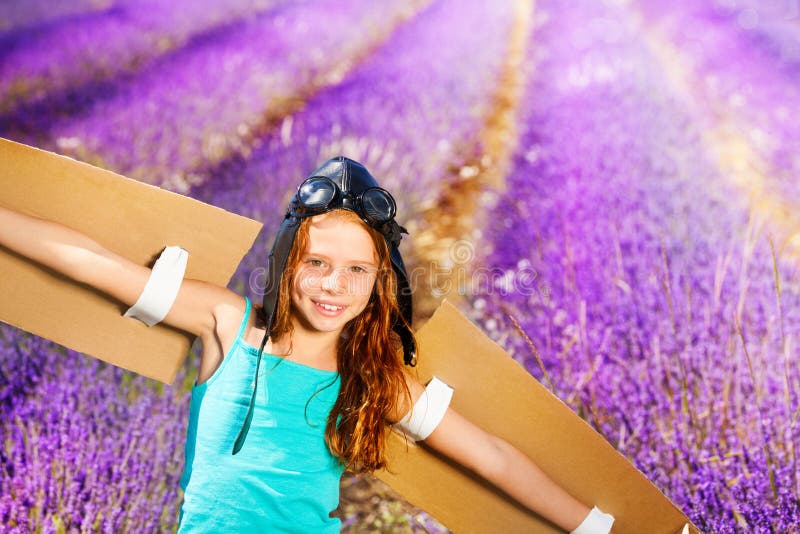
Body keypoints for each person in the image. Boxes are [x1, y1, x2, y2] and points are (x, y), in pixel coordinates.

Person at [0, 156, 615, 533]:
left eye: (356, 271)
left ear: (379, 283)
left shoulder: (374, 379)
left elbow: (492, 458)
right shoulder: (228, 324)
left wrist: (598, 528)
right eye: (317, 262)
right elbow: (87, 262)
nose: (333, 286)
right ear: (287, 261)